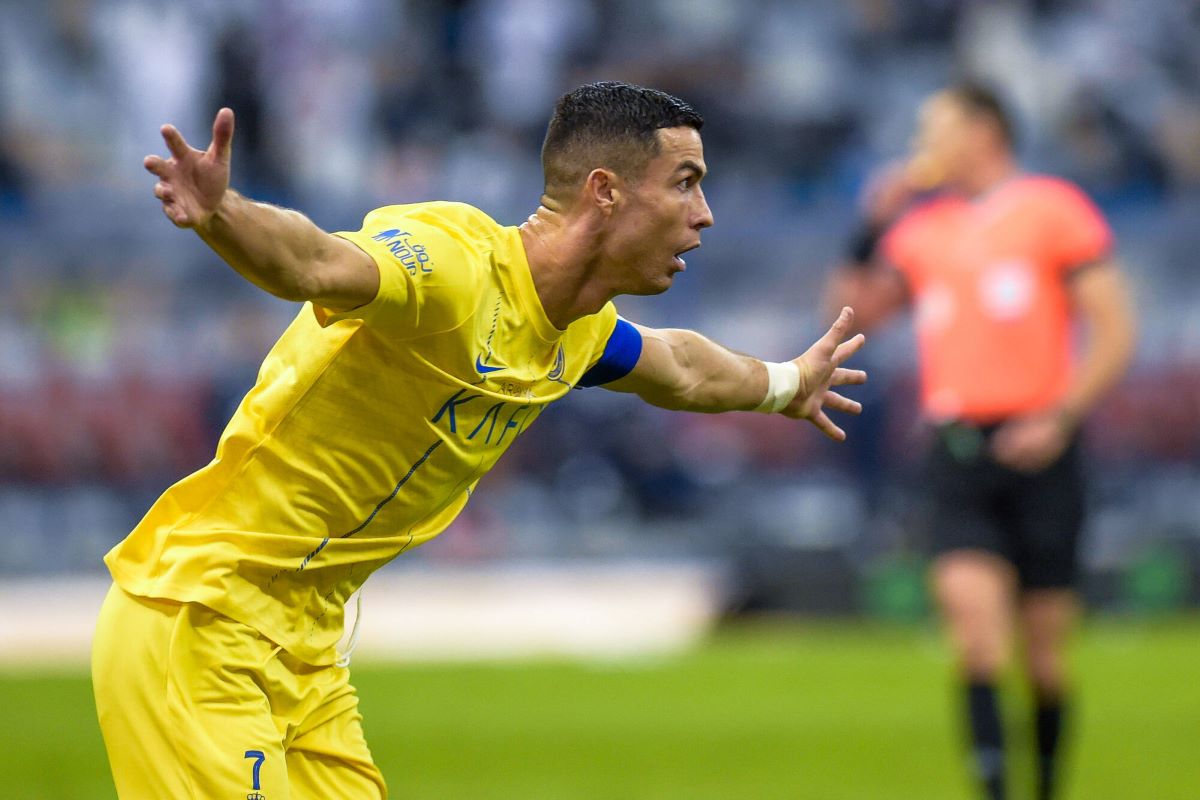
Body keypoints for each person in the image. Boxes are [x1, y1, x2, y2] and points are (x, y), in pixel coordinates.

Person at [91, 81, 867, 798]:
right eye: (686, 183)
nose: (705, 215)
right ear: (605, 191)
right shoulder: (453, 268)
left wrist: (786, 383)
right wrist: (224, 214)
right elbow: (318, 261)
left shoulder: (575, 330)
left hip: (306, 650)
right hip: (201, 615)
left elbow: (682, 368)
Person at [827, 83, 1136, 800]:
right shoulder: (919, 229)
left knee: (1046, 656)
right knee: (976, 638)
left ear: (984, 131)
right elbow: (849, 318)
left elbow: (1115, 328)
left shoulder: (1054, 210)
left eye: (936, 127)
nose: (923, 143)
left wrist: (1059, 417)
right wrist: (869, 226)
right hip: (958, 450)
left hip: (1044, 449)